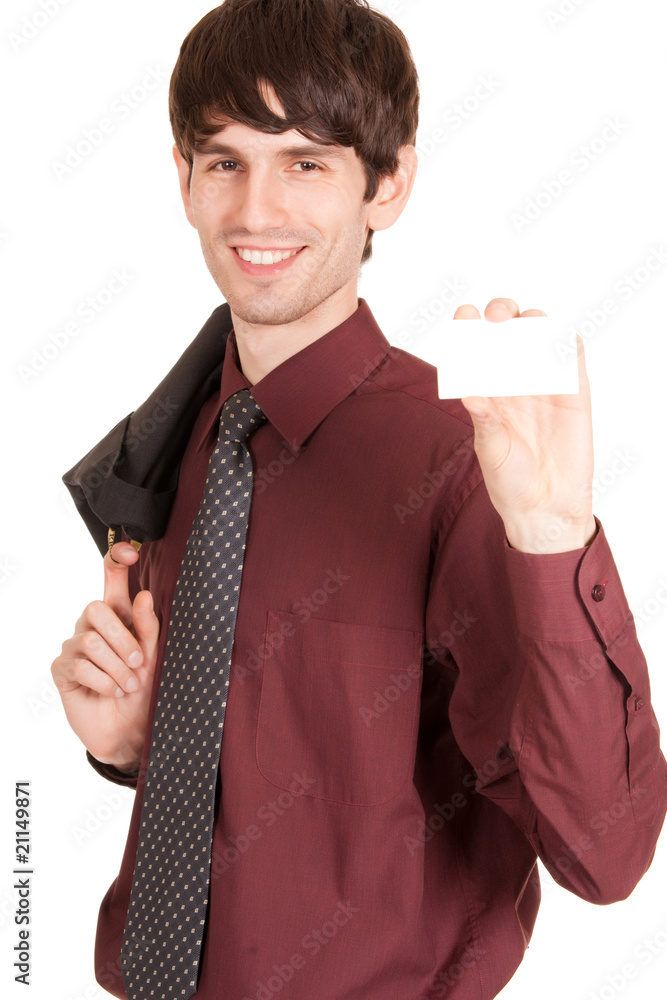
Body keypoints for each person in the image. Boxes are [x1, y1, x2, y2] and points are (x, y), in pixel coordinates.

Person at [51, 1, 667, 998]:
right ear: (184, 180)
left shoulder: (463, 459)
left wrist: (553, 536)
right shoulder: (178, 439)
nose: (256, 210)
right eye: (225, 161)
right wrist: (132, 746)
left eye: (305, 163)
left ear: (387, 184)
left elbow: (605, 853)